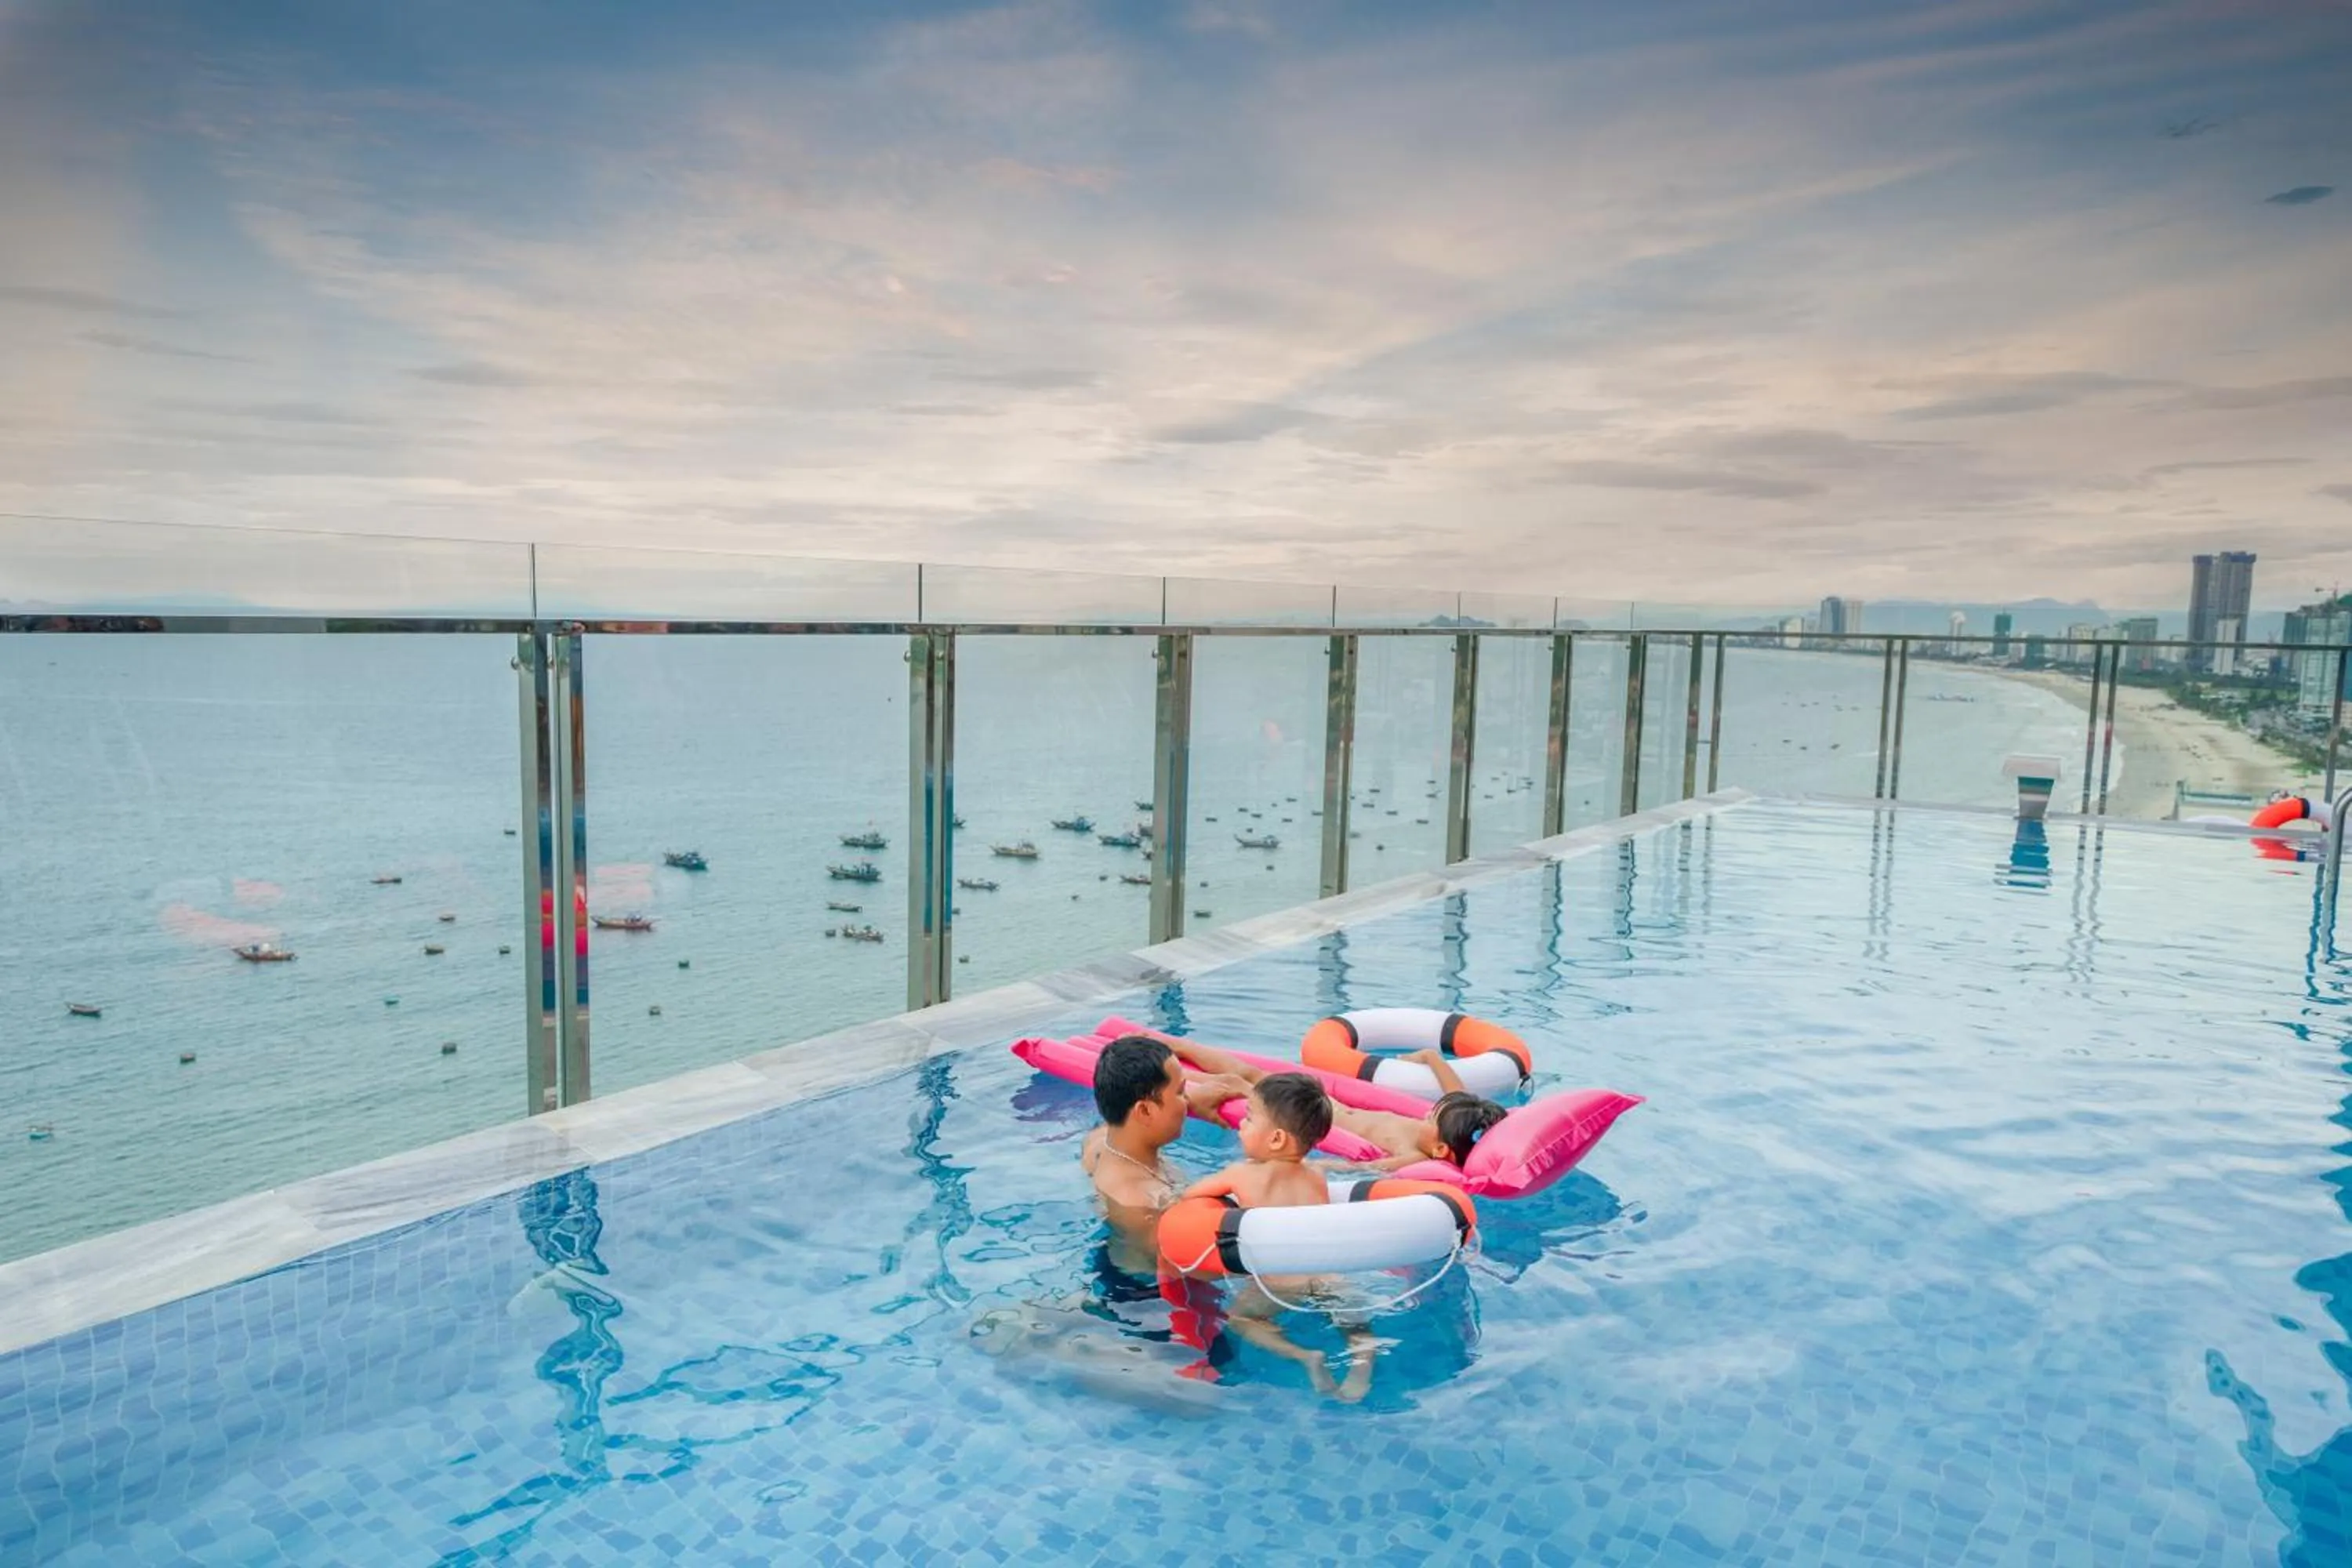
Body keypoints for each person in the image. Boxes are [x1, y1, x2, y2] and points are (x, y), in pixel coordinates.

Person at [1167, 1037, 1508, 1173]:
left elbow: (1369, 1171)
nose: (1429, 1111)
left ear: (1440, 1149)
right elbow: (1456, 1093)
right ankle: (1170, 1046)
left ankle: (1171, 1078)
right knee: (1250, 1074)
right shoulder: (1443, 1128)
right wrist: (1431, 1057)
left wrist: (1319, 1169)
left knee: (1240, 1083)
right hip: (1329, 1102)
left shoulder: (1416, 1155)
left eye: (1433, 1116)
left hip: (1314, 1116)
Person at [1181, 1073, 1334, 1210]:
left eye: (1249, 1119)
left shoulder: (1242, 1173)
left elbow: (1187, 1195)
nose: (1241, 1123)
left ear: (1276, 1139)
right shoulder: (1316, 1174)